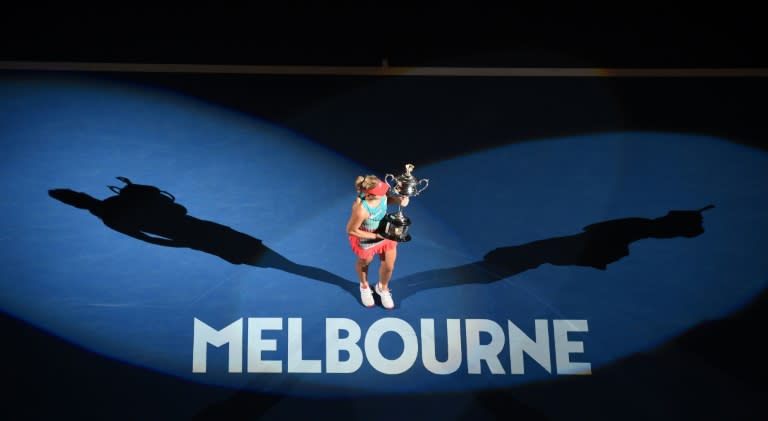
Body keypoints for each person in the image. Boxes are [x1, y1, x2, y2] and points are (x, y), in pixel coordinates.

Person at [346, 175, 409, 309]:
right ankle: (364, 286)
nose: (386, 192)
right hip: (367, 237)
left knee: (389, 266)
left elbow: (387, 199)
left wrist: (399, 200)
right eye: (381, 192)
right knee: (365, 263)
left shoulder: (382, 195)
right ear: (371, 194)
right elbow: (351, 230)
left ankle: (382, 288)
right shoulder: (361, 209)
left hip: (385, 234)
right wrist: (375, 237)